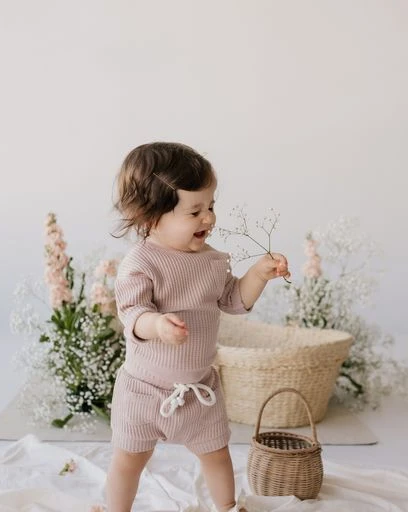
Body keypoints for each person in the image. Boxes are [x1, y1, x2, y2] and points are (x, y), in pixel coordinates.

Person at [106, 142, 290, 512]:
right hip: (143, 392)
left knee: (217, 454)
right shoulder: (141, 263)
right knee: (129, 460)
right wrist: (158, 325)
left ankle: (227, 507)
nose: (208, 218)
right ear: (151, 218)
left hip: (199, 390)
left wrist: (258, 275)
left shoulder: (212, 261)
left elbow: (233, 300)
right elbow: (133, 312)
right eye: (194, 211)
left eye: (211, 206)